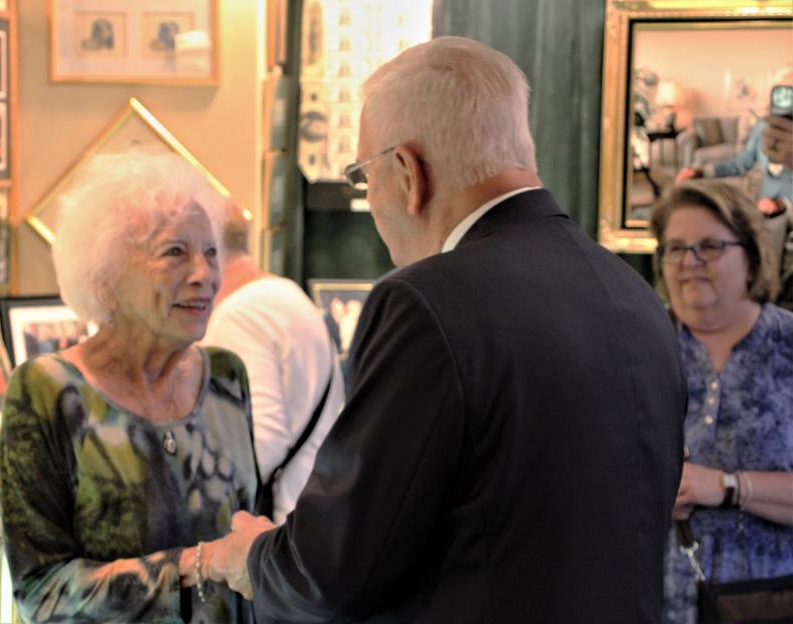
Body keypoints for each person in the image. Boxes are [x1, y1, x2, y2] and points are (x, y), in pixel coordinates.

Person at [195, 36, 687, 622]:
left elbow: (335, 568)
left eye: (362, 176)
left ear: (407, 172)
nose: (370, 200)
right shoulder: (632, 291)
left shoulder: (427, 302)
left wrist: (250, 556)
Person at [0, 151, 259, 623]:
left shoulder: (225, 379)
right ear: (106, 279)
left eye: (211, 251)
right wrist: (193, 565)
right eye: (174, 252)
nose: (205, 274)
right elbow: (42, 592)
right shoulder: (49, 392)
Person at [648, 181, 793, 624]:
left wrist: (728, 486)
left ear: (750, 257)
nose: (689, 262)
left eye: (709, 246)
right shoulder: (637, 346)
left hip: (770, 601)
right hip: (655, 600)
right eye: (675, 248)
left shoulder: (787, 344)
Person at [200, 202, 344, 525]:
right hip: (315, 512)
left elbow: (262, 442)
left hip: (279, 524)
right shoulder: (286, 293)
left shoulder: (240, 314)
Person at [676, 75, 793, 310]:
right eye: (783, 92)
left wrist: (783, 204)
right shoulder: (764, 126)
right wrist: (701, 171)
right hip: (768, 216)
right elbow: (742, 162)